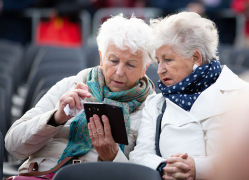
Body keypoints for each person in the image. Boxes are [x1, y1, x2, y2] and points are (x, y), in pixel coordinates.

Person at [5, 14, 155, 173]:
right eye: (113, 61)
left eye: (130, 65)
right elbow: (13, 146)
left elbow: (145, 174)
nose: (119, 72)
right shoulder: (70, 85)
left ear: (145, 68)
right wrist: (56, 118)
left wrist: (113, 157)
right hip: (45, 174)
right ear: (101, 58)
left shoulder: (151, 107)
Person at [129, 11, 249, 180]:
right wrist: (164, 167)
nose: (160, 69)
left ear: (196, 57)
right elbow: (139, 156)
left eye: (168, 60)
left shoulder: (247, 96)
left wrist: (198, 168)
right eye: (158, 60)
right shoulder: (155, 104)